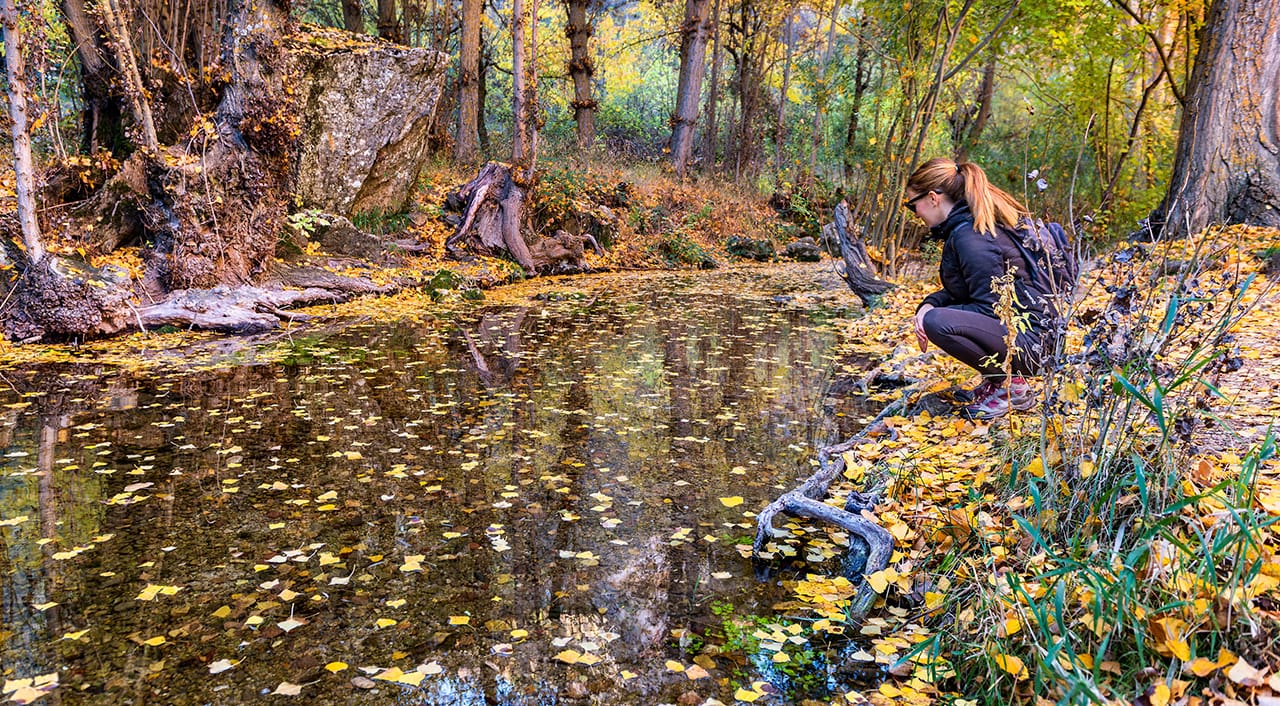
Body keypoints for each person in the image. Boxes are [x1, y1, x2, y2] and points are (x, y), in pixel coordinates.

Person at [904, 158, 1054, 419]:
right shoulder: (969, 228)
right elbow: (967, 294)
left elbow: (990, 309)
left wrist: (930, 316)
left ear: (932, 198)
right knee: (934, 315)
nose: (914, 214)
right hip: (1033, 338)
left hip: (1034, 345)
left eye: (911, 205)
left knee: (938, 323)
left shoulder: (971, 236)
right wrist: (928, 303)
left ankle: (1010, 387)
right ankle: (997, 383)